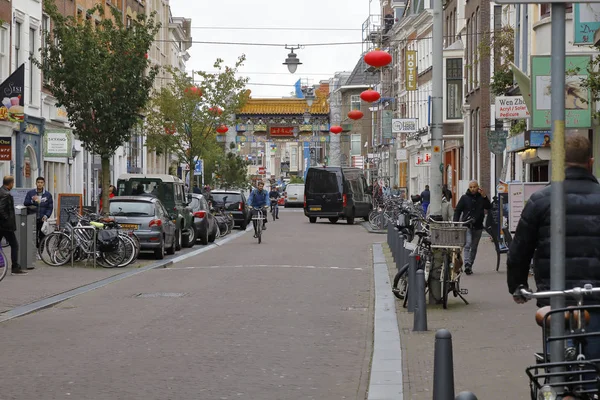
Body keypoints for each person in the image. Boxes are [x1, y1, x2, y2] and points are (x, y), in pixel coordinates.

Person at [508, 136, 600, 357]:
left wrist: (518, 286)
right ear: (591, 162)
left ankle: (557, 386)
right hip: (596, 299)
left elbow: (519, 251)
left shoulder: (541, 200)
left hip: (556, 297)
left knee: (556, 363)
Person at [453, 180, 491, 275]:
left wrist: (485, 196)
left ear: (478, 187)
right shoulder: (464, 198)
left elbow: (488, 207)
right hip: (467, 225)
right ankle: (466, 264)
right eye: (471, 187)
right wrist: (456, 223)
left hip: (478, 226)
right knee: (468, 244)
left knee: (474, 247)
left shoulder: (481, 198)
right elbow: (457, 210)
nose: (473, 189)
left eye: (474, 187)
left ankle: (470, 265)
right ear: (468, 188)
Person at [0, 176, 26, 275]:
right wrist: (7, 219)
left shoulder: (1, 191)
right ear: (10, 183)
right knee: (14, 245)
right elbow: (1, 209)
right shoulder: (6, 194)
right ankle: (15, 267)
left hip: (1, 225)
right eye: (13, 183)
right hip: (5, 226)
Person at [24, 176, 54, 249]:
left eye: (41, 183)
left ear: (44, 184)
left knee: (42, 236)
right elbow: (25, 203)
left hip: (42, 218)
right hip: (33, 217)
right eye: (38, 182)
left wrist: (46, 215)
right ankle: (34, 251)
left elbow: (50, 207)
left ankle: (40, 251)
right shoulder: (31, 193)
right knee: (33, 236)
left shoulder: (48, 195)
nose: (40, 184)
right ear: (36, 183)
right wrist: (32, 200)